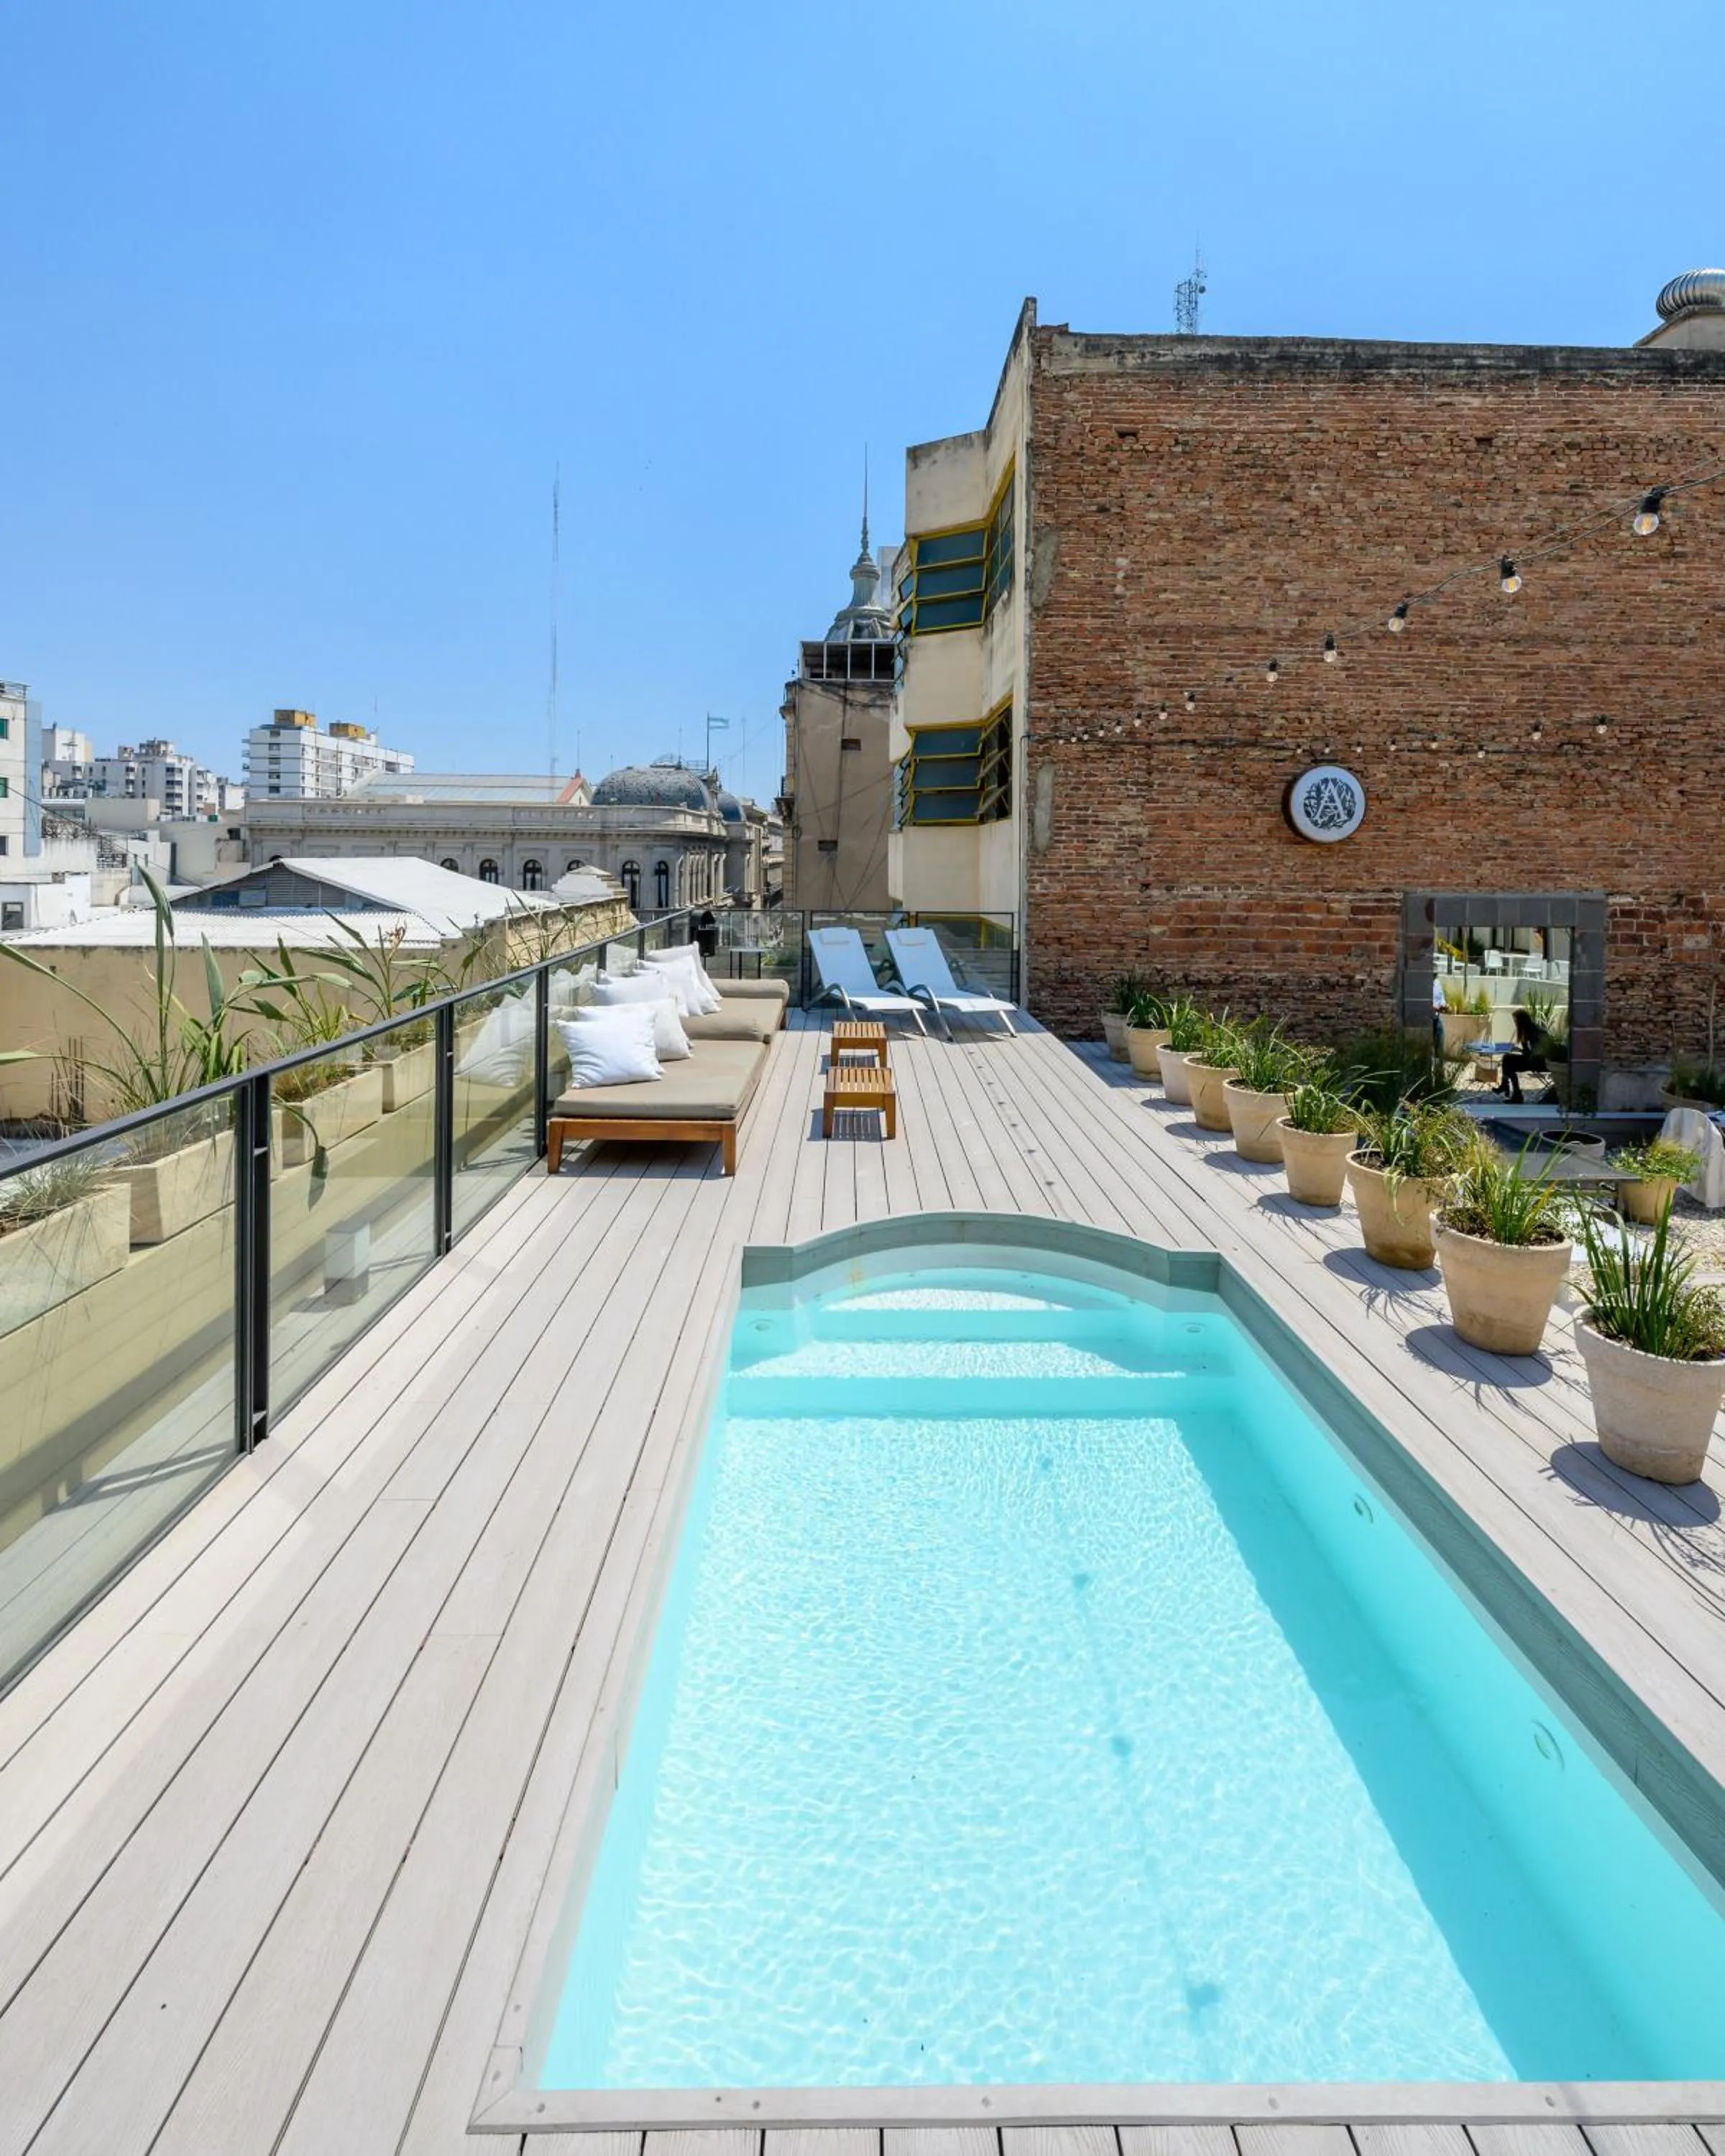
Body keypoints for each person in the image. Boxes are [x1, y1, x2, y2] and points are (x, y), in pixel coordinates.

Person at [1496, 1007, 1548, 1105]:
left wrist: (1521, 1051)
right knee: (1508, 1059)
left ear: (1522, 1021)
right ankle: (1509, 1088)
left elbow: (1537, 1053)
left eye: (1516, 1021)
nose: (1515, 1024)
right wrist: (1521, 1050)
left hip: (1540, 1063)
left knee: (1508, 1060)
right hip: (1535, 1060)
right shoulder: (1529, 1030)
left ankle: (1509, 1088)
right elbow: (1530, 1052)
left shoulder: (1534, 1032)